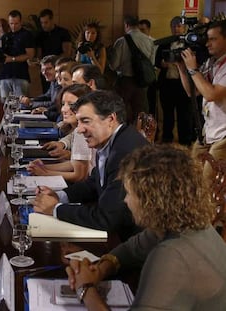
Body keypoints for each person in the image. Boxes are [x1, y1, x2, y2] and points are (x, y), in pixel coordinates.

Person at [66, 144, 226, 310]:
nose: (125, 200)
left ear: (151, 200)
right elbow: (130, 249)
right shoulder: (188, 224)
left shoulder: (172, 256)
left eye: (129, 193)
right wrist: (100, 270)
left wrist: (85, 289)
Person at [33, 90, 148, 241]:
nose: (79, 130)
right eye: (78, 121)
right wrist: (60, 196)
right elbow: (94, 183)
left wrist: (56, 209)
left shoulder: (125, 152)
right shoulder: (111, 140)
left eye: (86, 121)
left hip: (135, 243)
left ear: (110, 119)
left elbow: (107, 218)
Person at [178, 19, 226, 181]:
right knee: (191, 174)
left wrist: (193, 69)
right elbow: (194, 92)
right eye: (207, 39)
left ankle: (210, 207)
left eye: (213, 39)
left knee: (207, 182)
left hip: (224, 135)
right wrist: (183, 69)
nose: (207, 44)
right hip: (209, 131)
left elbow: (211, 94)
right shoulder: (211, 62)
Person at [27, 84, 95, 183]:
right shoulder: (77, 130)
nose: (64, 109)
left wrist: (45, 173)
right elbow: (74, 163)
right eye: (63, 104)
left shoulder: (82, 131)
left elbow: (80, 176)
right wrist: (43, 167)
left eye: (71, 105)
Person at [155, 16, 194, 145]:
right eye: (174, 26)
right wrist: (162, 63)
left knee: (184, 114)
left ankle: (185, 140)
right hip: (167, 83)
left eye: (179, 26)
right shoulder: (165, 43)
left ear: (184, 28)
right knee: (167, 114)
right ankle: (167, 138)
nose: (176, 29)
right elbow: (156, 61)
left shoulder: (190, 43)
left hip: (184, 84)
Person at [109, 15, 154, 123]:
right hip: (143, 82)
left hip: (125, 81)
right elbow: (152, 63)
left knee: (121, 111)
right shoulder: (149, 40)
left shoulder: (122, 41)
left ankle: (123, 137)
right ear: (138, 25)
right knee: (140, 113)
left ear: (126, 25)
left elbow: (114, 65)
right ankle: (139, 137)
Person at [0, 10, 35, 103]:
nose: (13, 26)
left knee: (21, 104)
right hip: (4, 75)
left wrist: (12, 59)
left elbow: (30, 54)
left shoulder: (26, 35)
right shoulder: (5, 36)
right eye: (11, 23)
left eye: (16, 23)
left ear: (21, 22)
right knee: (4, 105)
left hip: (20, 75)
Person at [37, 8, 72, 92]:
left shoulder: (63, 33)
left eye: (46, 22)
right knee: (46, 92)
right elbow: (39, 54)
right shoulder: (39, 35)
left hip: (60, 68)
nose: (43, 25)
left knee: (60, 93)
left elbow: (67, 53)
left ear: (52, 20)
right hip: (46, 69)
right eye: (41, 23)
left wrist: (53, 62)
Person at [139, 18, 158, 117]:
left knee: (151, 104)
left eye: (143, 30)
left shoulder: (154, 42)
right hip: (138, 77)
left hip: (150, 77)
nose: (141, 33)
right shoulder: (136, 42)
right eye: (139, 30)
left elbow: (154, 61)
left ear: (149, 30)